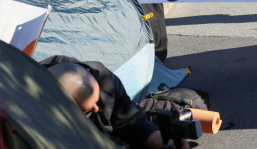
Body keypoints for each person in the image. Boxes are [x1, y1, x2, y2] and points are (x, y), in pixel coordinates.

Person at [43, 57, 183, 148]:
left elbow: (130, 121)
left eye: (97, 100)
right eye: (87, 111)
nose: (96, 108)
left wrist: (159, 139)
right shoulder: (39, 115)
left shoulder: (103, 78)